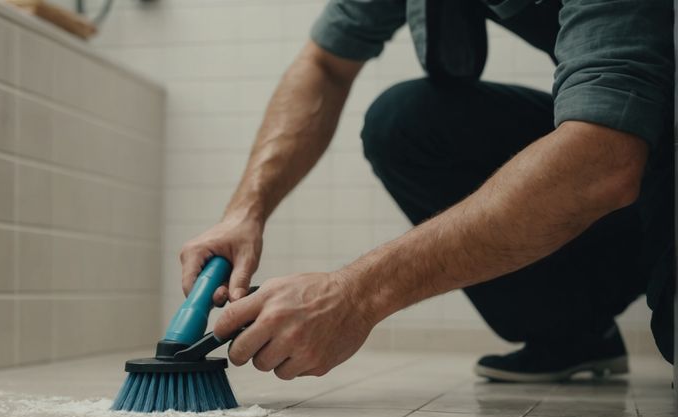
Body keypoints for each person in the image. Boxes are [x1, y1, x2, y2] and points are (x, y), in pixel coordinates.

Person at [182, 0, 675, 382]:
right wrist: (245, 211)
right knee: (406, 122)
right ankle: (573, 332)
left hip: (642, 144)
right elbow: (324, 65)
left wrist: (355, 294)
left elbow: (605, 157)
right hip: (644, 147)